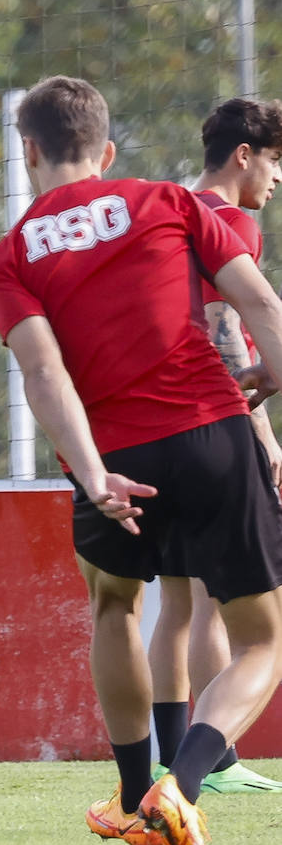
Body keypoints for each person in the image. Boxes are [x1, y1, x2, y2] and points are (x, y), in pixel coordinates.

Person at [0, 75, 282, 845]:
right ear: (107, 150)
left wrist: (92, 474)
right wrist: (276, 367)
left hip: (112, 451)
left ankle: (128, 794)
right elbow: (260, 306)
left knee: (114, 608)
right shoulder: (166, 201)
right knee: (262, 641)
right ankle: (177, 790)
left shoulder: (9, 257)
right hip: (213, 432)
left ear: (28, 152)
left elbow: (44, 376)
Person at [146, 97, 282, 795]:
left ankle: (170, 753)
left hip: (152, 424)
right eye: (276, 161)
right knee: (210, 602)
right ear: (243, 156)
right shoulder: (228, 223)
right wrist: (261, 431)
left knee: (174, 603)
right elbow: (226, 324)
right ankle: (214, 761)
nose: (277, 179)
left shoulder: (167, 215)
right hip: (211, 423)